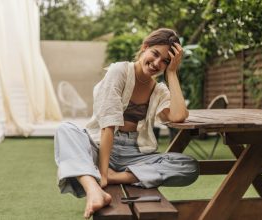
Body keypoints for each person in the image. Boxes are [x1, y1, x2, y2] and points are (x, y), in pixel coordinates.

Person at [54, 28, 199, 219]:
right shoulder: (119, 71)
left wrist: (172, 73)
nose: (157, 63)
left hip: (134, 155)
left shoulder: (159, 90)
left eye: (165, 61)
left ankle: (117, 177)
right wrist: (103, 173)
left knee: (189, 166)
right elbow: (108, 125)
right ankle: (93, 190)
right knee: (65, 129)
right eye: (155, 54)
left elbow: (178, 115)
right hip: (101, 147)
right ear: (145, 48)